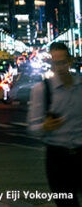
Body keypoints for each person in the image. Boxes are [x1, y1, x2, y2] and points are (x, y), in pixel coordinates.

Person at [27, 42, 82, 207]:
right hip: (58, 158)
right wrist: (45, 126)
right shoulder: (42, 90)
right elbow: (33, 127)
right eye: (55, 63)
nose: (59, 67)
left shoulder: (80, 87)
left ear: (70, 61)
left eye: (63, 62)